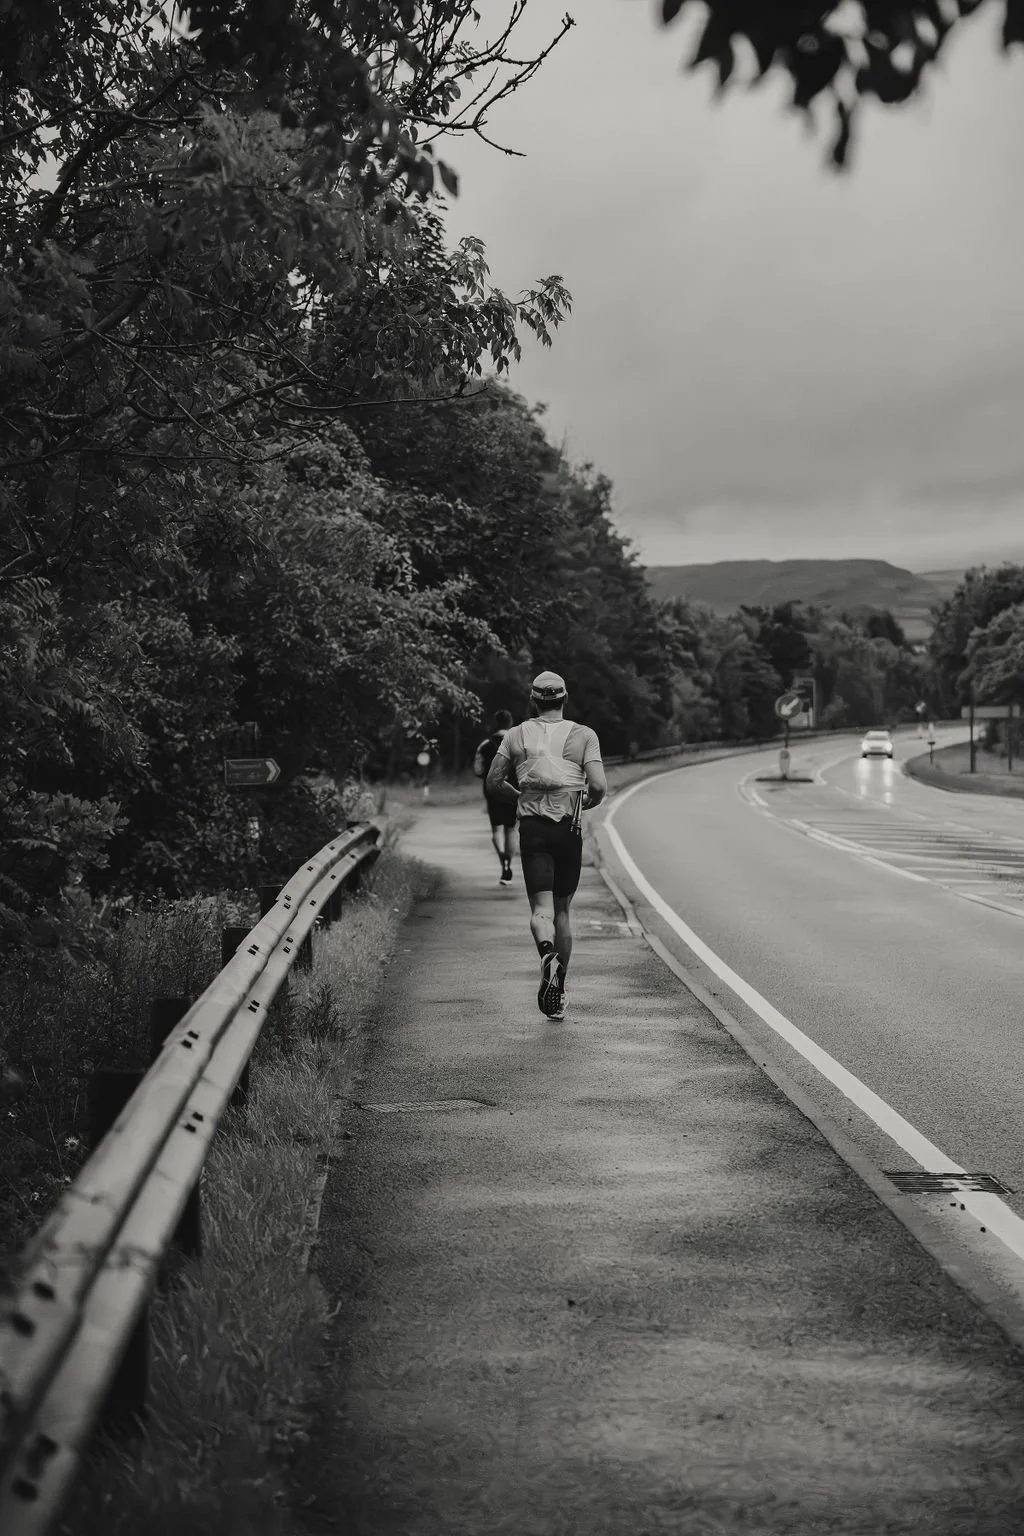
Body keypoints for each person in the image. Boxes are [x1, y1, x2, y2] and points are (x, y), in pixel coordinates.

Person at [486, 671, 606, 1021]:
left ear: (534, 701)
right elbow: (598, 785)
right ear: (564, 699)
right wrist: (587, 800)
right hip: (568, 828)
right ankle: (561, 990)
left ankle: (545, 950)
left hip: (533, 829)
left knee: (542, 911)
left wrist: (520, 795)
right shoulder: (584, 735)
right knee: (564, 912)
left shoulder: (515, 734)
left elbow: (494, 781)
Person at [473, 709, 518, 885]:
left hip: (492, 791)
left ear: (496, 722)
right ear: (510, 722)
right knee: (510, 829)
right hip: (513, 791)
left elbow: (477, 769)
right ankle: (509, 862)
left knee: (496, 830)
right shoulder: (518, 743)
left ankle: (502, 861)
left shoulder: (485, 745)